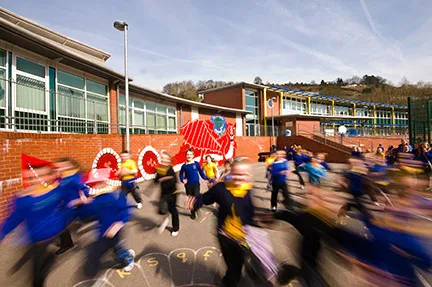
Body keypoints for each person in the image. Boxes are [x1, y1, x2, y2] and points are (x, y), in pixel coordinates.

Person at [185, 157, 274, 287]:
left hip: (244, 237)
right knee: (234, 267)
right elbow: (206, 198)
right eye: (236, 174)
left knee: (248, 263)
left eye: (243, 174)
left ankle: (243, 276)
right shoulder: (222, 189)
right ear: (231, 172)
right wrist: (195, 202)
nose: (239, 177)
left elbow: (249, 212)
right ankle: (228, 282)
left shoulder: (248, 189)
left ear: (249, 175)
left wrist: (261, 220)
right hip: (226, 237)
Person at [0, 163, 76, 287]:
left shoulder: (56, 190)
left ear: (48, 176)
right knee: (37, 271)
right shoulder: (23, 199)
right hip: (37, 240)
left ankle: (61, 248)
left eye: (40, 176)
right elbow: (13, 220)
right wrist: (2, 234)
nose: (35, 180)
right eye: (31, 178)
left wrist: (75, 204)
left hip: (55, 231)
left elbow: (68, 200)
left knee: (43, 264)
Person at [84, 171, 136, 279]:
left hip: (114, 231)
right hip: (103, 231)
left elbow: (127, 208)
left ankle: (128, 259)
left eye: (98, 183)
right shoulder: (96, 199)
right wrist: (82, 205)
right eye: (93, 184)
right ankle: (125, 253)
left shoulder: (115, 195)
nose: (95, 186)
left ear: (105, 182)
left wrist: (119, 223)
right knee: (107, 250)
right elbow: (88, 214)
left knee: (117, 250)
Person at [155, 152, 180, 237]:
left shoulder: (170, 169)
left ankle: (175, 228)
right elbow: (156, 180)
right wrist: (157, 180)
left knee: (173, 210)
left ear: (169, 160)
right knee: (160, 210)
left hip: (172, 194)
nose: (164, 160)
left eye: (166, 159)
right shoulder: (160, 169)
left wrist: (165, 179)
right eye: (162, 158)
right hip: (163, 194)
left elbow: (174, 180)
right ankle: (166, 217)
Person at [179, 149, 208, 219]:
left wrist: (206, 179)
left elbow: (201, 172)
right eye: (187, 154)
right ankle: (193, 212)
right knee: (190, 199)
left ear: (193, 156)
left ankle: (196, 207)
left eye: (190, 154)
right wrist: (182, 179)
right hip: (188, 185)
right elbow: (180, 174)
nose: (189, 156)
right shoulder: (184, 166)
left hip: (196, 184)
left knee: (196, 198)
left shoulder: (196, 164)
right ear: (186, 156)